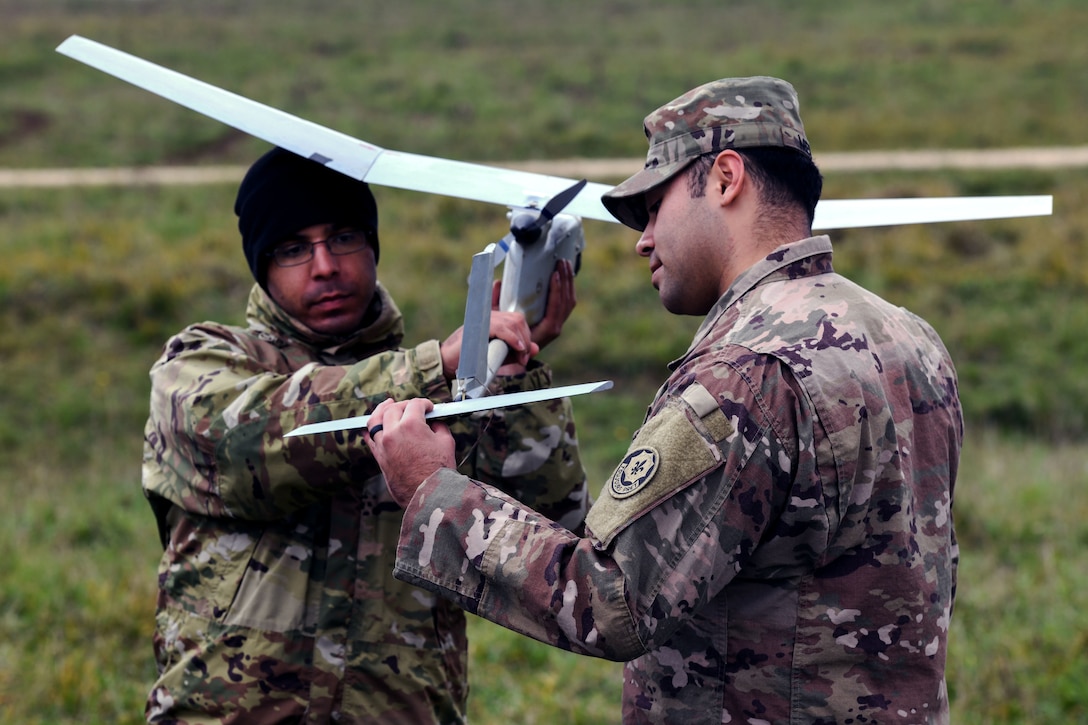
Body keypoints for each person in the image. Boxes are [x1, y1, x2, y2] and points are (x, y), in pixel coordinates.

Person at [366, 76, 964, 724]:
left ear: (726, 177)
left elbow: (611, 597)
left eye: (653, 208)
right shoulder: (909, 337)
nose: (641, 239)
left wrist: (432, 489)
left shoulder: (744, 375)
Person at [141, 146, 589, 724]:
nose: (325, 265)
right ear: (262, 264)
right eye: (293, 248)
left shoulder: (453, 389)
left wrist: (510, 377)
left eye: (344, 238)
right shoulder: (202, 365)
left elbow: (553, 531)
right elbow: (254, 443)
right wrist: (434, 368)